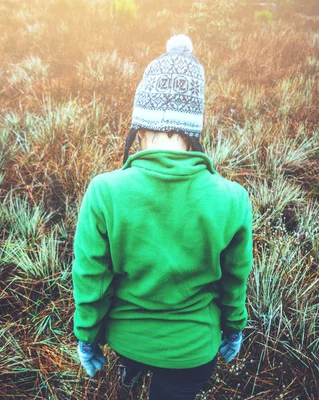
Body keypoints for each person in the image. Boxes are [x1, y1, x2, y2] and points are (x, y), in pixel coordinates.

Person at [72, 34, 253, 400]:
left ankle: (127, 381)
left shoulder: (104, 191)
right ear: (195, 131)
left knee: (127, 379)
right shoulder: (233, 198)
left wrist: (87, 338)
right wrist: (234, 330)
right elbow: (235, 281)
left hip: (127, 341)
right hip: (194, 351)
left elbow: (91, 277)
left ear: (139, 125)